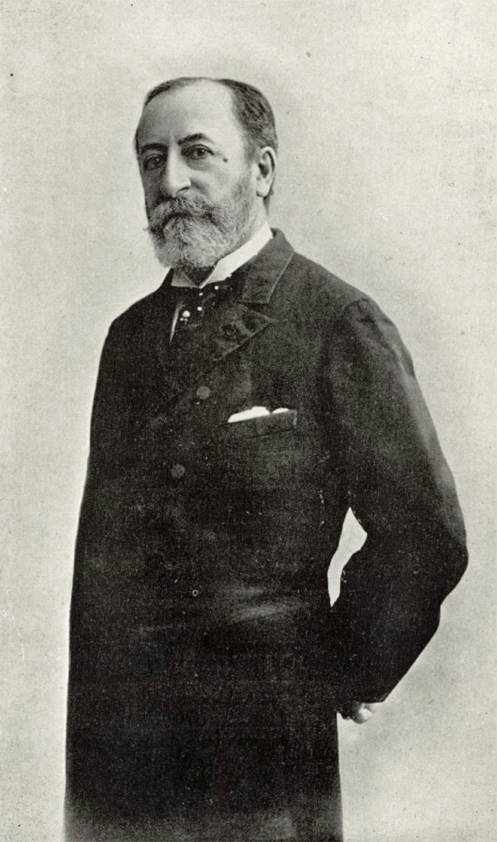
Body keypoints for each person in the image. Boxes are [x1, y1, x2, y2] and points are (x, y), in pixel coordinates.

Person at [65, 77, 468, 842]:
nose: (169, 182)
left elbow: (423, 532)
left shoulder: (335, 320)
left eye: (197, 154)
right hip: (117, 755)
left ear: (262, 170)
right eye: (151, 159)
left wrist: (345, 667)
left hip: (261, 760)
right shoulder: (128, 338)